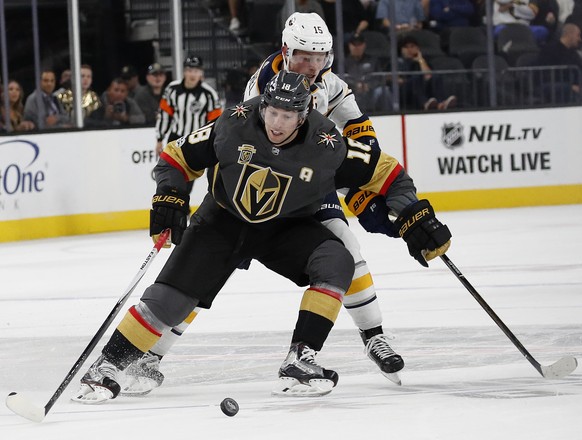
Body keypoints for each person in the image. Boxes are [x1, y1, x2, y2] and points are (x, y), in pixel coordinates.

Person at [72, 70, 451, 404]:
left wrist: (412, 214)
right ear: (263, 105)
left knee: (337, 261)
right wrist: (169, 194)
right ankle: (106, 366)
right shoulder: (233, 122)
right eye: (272, 112)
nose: (277, 122)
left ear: (304, 115)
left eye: (288, 116)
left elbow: (389, 173)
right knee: (170, 302)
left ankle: (300, 359)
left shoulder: (328, 144)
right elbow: (175, 157)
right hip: (222, 221)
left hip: (283, 228)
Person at [120, 12, 412, 397]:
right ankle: (151, 354)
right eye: (304, 56)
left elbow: (358, 130)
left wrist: (364, 183)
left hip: (305, 178)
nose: (312, 65)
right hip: (257, 185)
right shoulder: (267, 86)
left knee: (346, 249)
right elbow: (271, 154)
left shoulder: (330, 82)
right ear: (286, 51)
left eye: (320, 56)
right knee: (207, 272)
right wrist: (352, 191)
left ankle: (372, 336)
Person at [155, 54, 222, 155]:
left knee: (196, 170)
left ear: (201, 73)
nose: (192, 75)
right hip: (176, 138)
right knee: (171, 169)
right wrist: (159, 139)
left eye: (196, 71)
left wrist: (213, 142)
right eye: (189, 70)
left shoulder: (209, 94)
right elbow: (165, 115)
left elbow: (215, 121)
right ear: (184, 72)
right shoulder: (172, 89)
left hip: (198, 139)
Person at [398, 35, 457, 110]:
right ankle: (424, 103)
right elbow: (394, 79)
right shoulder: (398, 62)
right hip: (405, 91)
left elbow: (428, 76)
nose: (409, 49)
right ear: (401, 49)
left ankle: (441, 103)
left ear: (417, 48)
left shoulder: (421, 62)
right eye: (406, 47)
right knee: (416, 78)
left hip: (423, 89)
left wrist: (420, 60)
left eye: (412, 46)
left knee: (436, 76)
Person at [344, 33, 393, 112]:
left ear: (364, 45)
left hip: (371, 92)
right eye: (354, 45)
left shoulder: (373, 60)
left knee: (384, 90)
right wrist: (355, 85)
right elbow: (340, 79)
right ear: (349, 45)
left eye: (359, 44)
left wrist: (369, 85)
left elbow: (379, 77)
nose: (357, 47)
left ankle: (389, 115)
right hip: (352, 94)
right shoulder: (343, 62)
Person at [537, 22, 582, 102]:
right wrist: (569, 86)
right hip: (552, 85)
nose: (579, 39)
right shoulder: (549, 50)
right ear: (570, 34)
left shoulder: (573, 54)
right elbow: (545, 74)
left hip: (571, 85)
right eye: (578, 35)